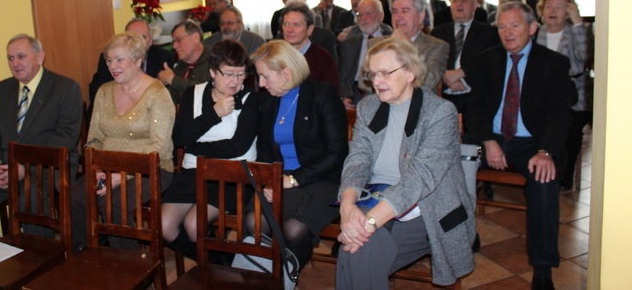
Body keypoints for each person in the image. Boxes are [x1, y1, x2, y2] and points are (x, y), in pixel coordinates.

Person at [335, 37, 475, 289]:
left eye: (386, 73)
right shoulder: (368, 107)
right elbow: (357, 159)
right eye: (372, 74)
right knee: (361, 249)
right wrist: (347, 206)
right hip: (375, 199)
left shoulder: (439, 112)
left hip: (430, 207)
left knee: (356, 249)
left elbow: (420, 178)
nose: (376, 82)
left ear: (410, 72)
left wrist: (366, 225)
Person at [466, 2, 573, 290]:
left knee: (543, 179)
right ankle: (464, 234)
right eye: (502, 27)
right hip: (493, 138)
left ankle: (542, 268)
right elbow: (474, 108)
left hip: (534, 143)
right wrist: (487, 140)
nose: (507, 32)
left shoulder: (553, 63)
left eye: (515, 25)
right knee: (455, 163)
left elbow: (560, 113)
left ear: (532, 28)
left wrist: (546, 151)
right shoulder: (486, 59)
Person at [0, 34, 83, 237]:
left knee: (31, 200)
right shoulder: (0, 91)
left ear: (40, 57)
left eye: (21, 56)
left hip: (49, 167)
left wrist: (25, 166)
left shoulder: (65, 88)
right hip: (6, 166)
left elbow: (66, 138)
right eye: (10, 58)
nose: (15, 63)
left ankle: (39, 259)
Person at [248, 40, 348, 272]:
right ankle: (261, 278)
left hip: (321, 178)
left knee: (293, 229)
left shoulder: (322, 95)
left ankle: (284, 279)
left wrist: (293, 180)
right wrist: (267, 181)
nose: (261, 84)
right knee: (253, 223)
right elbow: (264, 149)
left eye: (265, 77)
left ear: (286, 73)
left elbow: (336, 152)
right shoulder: (269, 99)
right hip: (281, 177)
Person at [71, 33, 175, 251]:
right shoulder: (104, 92)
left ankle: (130, 267)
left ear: (138, 61)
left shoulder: (158, 94)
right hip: (105, 168)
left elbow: (159, 146)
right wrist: (96, 168)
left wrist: (123, 175)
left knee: (114, 203)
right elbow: (94, 138)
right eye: (109, 60)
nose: (113, 66)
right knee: (76, 197)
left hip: (151, 169)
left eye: (119, 59)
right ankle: (89, 254)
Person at [162, 40, 259, 259]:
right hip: (192, 173)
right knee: (164, 225)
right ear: (213, 72)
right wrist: (214, 114)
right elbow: (179, 138)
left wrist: (195, 147)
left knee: (193, 225)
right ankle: (218, 265)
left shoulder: (250, 99)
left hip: (232, 175)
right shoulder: (193, 95)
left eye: (241, 74)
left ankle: (220, 272)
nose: (235, 82)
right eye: (229, 74)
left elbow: (237, 146)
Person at [536, 0, 593, 190]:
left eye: (560, 7)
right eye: (549, 6)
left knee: (569, 133)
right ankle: (542, 167)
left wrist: (578, 21)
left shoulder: (575, 31)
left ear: (569, 10)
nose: (552, 11)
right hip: (544, 92)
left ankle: (565, 176)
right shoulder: (539, 31)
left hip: (574, 93)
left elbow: (587, 56)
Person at [431, 0, 500, 115]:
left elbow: (490, 63)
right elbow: (431, 62)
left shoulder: (489, 32)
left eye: (464, 0)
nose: (459, 4)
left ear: (474, 6)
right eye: (455, 1)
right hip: (443, 95)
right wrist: (446, 78)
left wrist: (462, 74)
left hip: (475, 96)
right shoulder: (438, 32)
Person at [88, 18, 173, 118]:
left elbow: (169, 98)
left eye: (142, 37)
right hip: (113, 115)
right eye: (131, 38)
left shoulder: (163, 57)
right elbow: (96, 91)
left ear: (150, 40)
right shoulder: (110, 58)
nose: (137, 43)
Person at [382, 0, 448, 90]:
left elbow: (428, 82)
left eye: (405, 11)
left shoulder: (437, 46)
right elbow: (364, 83)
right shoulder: (377, 44)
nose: (398, 17)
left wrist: (408, 46)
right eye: (394, 11)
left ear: (421, 16)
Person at [339, 0, 392, 107]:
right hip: (355, 93)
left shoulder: (390, 42)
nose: (363, 18)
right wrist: (345, 96)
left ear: (380, 16)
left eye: (368, 14)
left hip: (384, 88)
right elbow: (343, 75)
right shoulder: (348, 44)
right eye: (360, 14)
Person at [281, 0, 340, 91]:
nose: (289, 29)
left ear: (310, 29)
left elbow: (331, 94)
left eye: (296, 25)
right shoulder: (276, 56)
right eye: (286, 24)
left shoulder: (323, 59)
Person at [157, 20, 211, 105]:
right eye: (173, 42)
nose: (174, 46)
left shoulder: (216, 60)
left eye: (179, 40)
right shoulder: (180, 66)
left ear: (196, 37)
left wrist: (173, 80)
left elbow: (208, 91)